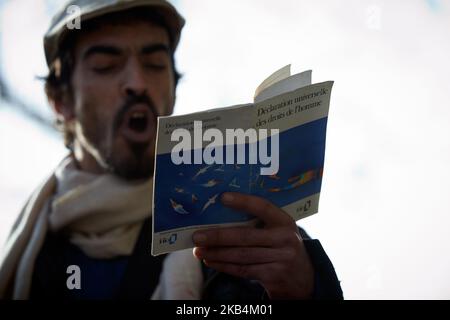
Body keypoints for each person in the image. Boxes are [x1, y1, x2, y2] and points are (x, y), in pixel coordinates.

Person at [0, 0, 343, 300]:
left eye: (154, 64)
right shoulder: (28, 256)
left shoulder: (240, 233)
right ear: (60, 100)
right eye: (106, 64)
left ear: (174, 89)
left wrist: (307, 288)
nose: (137, 83)